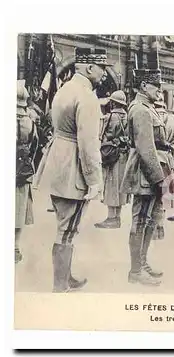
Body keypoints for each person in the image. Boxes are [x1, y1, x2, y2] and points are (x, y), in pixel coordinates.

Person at [42, 47, 111, 292]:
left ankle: (65, 276)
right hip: (73, 168)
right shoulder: (87, 97)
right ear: (89, 67)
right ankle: (60, 284)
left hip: (57, 162)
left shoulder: (64, 90)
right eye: (102, 68)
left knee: (65, 225)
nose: (104, 74)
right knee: (68, 228)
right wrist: (95, 180)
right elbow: (88, 142)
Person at [121, 68, 169, 286]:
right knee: (140, 220)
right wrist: (159, 178)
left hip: (150, 170)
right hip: (144, 172)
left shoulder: (148, 108)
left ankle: (142, 262)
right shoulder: (140, 110)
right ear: (143, 86)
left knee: (149, 219)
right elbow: (146, 148)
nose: (159, 90)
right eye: (155, 85)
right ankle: (135, 270)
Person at [94, 90, 130, 229]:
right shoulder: (127, 117)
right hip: (123, 155)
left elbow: (103, 135)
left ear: (114, 102)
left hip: (112, 154)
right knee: (120, 185)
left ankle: (111, 217)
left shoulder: (109, 117)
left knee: (110, 185)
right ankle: (118, 217)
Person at [15, 80, 38, 263]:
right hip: (22, 170)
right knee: (20, 208)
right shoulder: (29, 120)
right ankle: (14, 247)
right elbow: (35, 145)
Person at [153, 94, 174, 239]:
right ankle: (161, 226)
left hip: (155, 158)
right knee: (163, 194)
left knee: (152, 195)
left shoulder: (151, 117)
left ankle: (154, 228)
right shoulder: (173, 121)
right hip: (168, 160)